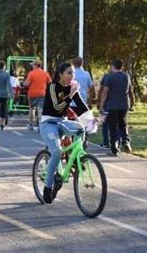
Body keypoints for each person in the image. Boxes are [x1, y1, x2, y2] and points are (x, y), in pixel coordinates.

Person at [40, 62, 93, 204]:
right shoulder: (52, 87)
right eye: (69, 73)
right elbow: (57, 107)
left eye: (73, 73)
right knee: (56, 151)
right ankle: (47, 187)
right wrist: (70, 94)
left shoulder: (72, 87)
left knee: (81, 128)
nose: (72, 76)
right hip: (48, 124)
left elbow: (81, 107)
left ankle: (76, 157)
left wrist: (92, 120)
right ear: (60, 74)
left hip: (63, 122)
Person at [99, 59, 135, 156]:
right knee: (123, 124)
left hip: (112, 105)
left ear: (113, 66)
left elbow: (105, 93)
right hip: (124, 105)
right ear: (121, 67)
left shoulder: (109, 77)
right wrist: (132, 102)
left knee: (113, 127)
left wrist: (101, 106)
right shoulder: (126, 76)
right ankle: (126, 141)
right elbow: (130, 90)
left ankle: (114, 149)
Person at [24, 59, 52, 131]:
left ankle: (31, 124)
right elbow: (50, 83)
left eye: (33, 65)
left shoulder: (31, 73)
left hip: (32, 93)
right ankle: (40, 125)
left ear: (36, 65)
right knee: (40, 109)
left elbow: (27, 83)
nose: (32, 66)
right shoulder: (45, 73)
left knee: (31, 108)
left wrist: (23, 84)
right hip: (42, 93)